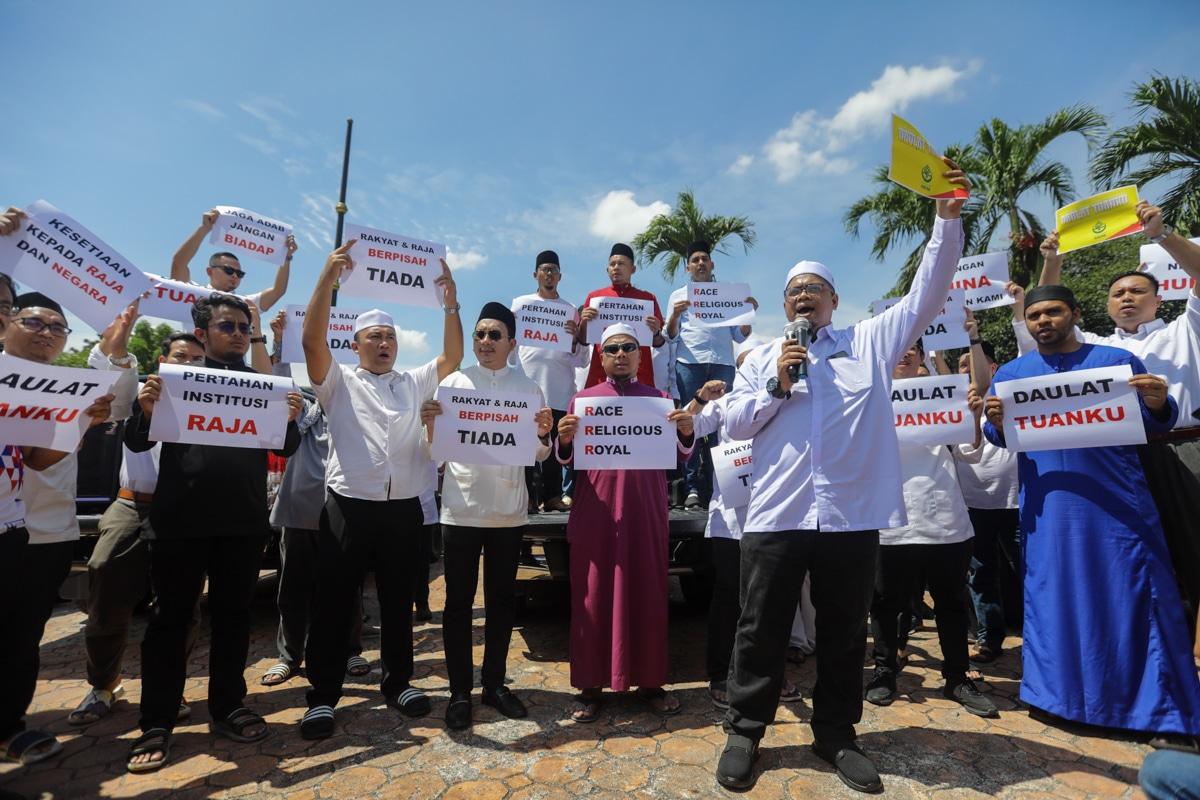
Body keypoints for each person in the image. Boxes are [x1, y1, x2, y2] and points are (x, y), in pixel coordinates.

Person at [715, 159, 969, 793]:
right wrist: (777, 384)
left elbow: (927, 294)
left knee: (843, 631)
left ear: (834, 300)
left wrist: (944, 222)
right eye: (795, 290)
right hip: (776, 515)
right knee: (761, 628)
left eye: (815, 289)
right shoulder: (763, 358)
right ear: (784, 305)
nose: (805, 296)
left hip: (850, 516)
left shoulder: (870, 343)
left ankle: (836, 735)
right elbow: (735, 426)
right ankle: (746, 731)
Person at [984, 284, 1200, 741]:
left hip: (1117, 505)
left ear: (1075, 313)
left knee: (1133, 599)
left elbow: (1154, 420)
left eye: (1053, 312)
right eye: (1036, 315)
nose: (1044, 321)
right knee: (1053, 601)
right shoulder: (1012, 373)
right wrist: (995, 423)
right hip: (1049, 513)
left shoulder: (1115, 363)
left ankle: (1156, 712)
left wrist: (1161, 403)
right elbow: (999, 436)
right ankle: (1055, 698)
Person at [125, 293, 302, 772]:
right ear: (202, 334)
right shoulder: (174, 381)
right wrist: (144, 408)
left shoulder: (263, 386)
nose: (239, 334)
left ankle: (227, 706)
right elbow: (137, 438)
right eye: (228, 326)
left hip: (241, 525)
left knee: (233, 619)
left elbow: (287, 445)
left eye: (244, 327)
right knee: (169, 622)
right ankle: (157, 721)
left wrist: (289, 417)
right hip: (179, 523)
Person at [298, 241, 462, 740]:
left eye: (390, 336)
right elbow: (310, 342)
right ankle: (322, 696)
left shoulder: (413, 382)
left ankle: (399, 683)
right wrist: (327, 278)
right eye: (375, 336)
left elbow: (452, 354)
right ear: (356, 344)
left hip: (403, 509)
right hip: (348, 506)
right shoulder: (338, 381)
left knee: (397, 600)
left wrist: (451, 302)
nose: (385, 343)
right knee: (334, 604)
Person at [1022, 202, 1200, 627]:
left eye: (1137, 291)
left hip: (1184, 450)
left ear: (1160, 300)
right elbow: (1048, 309)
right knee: (1136, 558)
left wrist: (1162, 235)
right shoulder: (1096, 347)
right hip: (1118, 461)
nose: (1126, 298)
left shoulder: (1187, 328)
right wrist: (1052, 262)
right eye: (1117, 293)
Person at [421, 302, 554, 729]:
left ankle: (494, 685)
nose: (484, 342)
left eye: (494, 335)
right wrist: (429, 426)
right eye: (479, 334)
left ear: (512, 343)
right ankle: (460, 691)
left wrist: (543, 432)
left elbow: (537, 454)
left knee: (500, 604)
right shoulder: (454, 384)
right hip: (460, 510)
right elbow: (435, 454)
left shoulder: (529, 389)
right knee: (458, 605)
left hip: (507, 513)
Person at [556, 323, 695, 722]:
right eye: (612, 348)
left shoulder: (661, 401)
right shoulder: (582, 400)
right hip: (596, 515)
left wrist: (686, 431)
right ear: (601, 356)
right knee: (592, 598)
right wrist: (564, 440)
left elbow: (683, 454)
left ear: (639, 356)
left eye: (628, 348)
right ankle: (589, 685)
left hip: (644, 513)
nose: (620, 354)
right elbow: (566, 460)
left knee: (649, 594)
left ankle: (650, 682)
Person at [0, 293, 116, 767]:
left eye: (58, 327)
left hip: (19, 530)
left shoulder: (59, 388)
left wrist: (81, 421)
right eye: (34, 321)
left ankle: (9, 728)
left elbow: (36, 457)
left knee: (19, 636)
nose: (47, 332)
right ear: (7, 322)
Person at [68, 333, 207, 727]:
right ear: (163, 359)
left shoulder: (213, 401)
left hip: (183, 513)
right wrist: (120, 345)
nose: (190, 365)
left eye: (198, 360)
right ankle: (103, 685)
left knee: (181, 607)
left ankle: (168, 685)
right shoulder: (140, 391)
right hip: (133, 504)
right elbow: (115, 375)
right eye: (182, 356)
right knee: (106, 584)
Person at [865, 335, 998, 718]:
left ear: (922, 356)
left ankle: (957, 677)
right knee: (887, 605)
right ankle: (885, 673)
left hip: (943, 519)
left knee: (952, 604)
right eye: (898, 345)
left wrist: (972, 414)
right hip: (890, 520)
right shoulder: (868, 400)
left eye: (914, 347)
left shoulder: (946, 395)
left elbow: (970, 450)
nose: (905, 351)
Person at [685, 345, 803, 712]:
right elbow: (687, 429)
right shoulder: (723, 404)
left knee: (772, 601)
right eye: (747, 361)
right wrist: (698, 398)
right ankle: (721, 673)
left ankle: (771, 673)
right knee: (727, 600)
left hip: (775, 516)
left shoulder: (788, 396)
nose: (755, 365)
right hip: (730, 520)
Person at [666, 241, 756, 508]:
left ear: (712, 264)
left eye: (705, 259)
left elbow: (739, 335)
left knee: (725, 425)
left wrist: (747, 315)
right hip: (689, 364)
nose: (701, 263)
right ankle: (693, 487)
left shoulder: (727, 295)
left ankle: (725, 484)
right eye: (695, 260)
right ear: (687, 267)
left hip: (722, 365)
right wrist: (675, 315)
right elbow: (669, 337)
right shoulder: (678, 295)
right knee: (688, 424)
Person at [954, 339, 1021, 663]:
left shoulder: (1008, 395)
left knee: (1029, 571)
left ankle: (1041, 637)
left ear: (991, 368)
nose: (965, 372)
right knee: (980, 575)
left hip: (1016, 502)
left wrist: (973, 336)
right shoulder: (953, 405)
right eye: (960, 367)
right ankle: (989, 639)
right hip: (972, 504)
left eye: (972, 365)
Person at [510, 250, 589, 512]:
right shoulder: (520, 305)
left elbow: (581, 360)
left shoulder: (569, 310)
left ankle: (554, 496)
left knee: (555, 449)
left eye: (553, 270)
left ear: (560, 276)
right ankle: (529, 499)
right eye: (544, 269)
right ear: (535, 274)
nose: (549, 274)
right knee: (525, 448)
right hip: (526, 388)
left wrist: (577, 337)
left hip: (559, 389)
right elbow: (510, 347)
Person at [170, 207, 295, 312]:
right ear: (210, 271)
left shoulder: (244, 304)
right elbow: (178, 264)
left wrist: (286, 257)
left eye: (240, 274)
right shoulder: (192, 295)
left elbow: (278, 291)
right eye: (229, 270)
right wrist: (204, 228)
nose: (235, 276)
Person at [577, 244, 665, 389]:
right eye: (612, 264)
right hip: (601, 377)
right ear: (607, 270)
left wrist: (656, 332)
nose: (616, 267)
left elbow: (658, 343)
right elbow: (582, 341)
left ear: (633, 269)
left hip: (640, 377)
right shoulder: (595, 297)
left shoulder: (647, 299)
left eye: (621, 264)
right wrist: (584, 323)